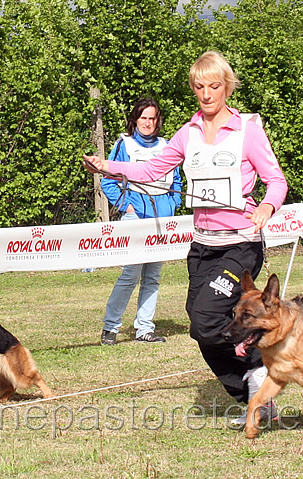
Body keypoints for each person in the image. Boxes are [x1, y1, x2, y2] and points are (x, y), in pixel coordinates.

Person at [83, 51, 288, 424]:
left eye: (214, 86)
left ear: (226, 86)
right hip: (203, 246)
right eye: (199, 87)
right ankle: (256, 397)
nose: (207, 94)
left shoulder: (247, 129)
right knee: (200, 328)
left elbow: (277, 181)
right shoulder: (187, 133)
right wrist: (106, 166)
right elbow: (151, 169)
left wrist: (266, 208)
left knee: (209, 317)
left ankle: (260, 373)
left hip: (240, 244)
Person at [100, 98, 182, 345]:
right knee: (130, 275)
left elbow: (176, 183)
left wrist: (172, 206)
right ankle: (110, 327)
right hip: (135, 218)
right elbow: (107, 181)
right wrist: (129, 206)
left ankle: (144, 328)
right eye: (143, 118)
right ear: (135, 120)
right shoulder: (123, 145)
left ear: (158, 121)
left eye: (152, 118)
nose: (148, 123)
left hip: (162, 219)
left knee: (153, 276)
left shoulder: (168, 146)